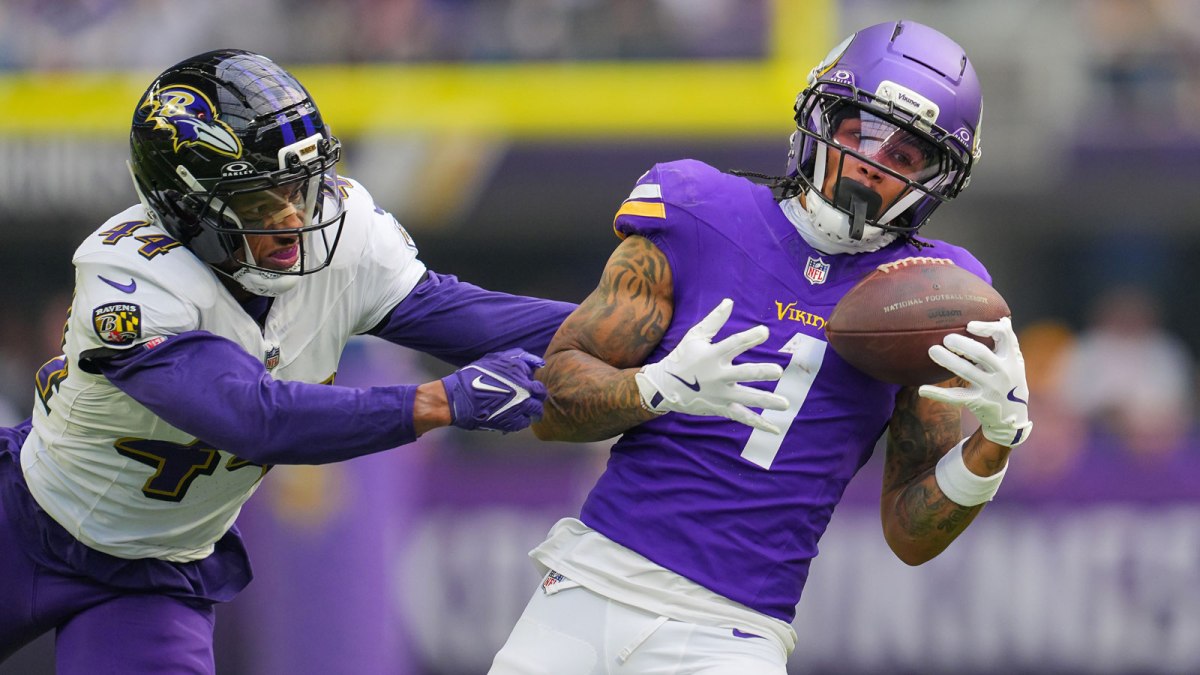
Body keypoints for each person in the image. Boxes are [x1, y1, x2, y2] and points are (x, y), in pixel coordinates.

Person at [0, 49, 579, 673]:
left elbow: (471, 317)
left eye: (299, 188)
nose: (292, 220)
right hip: (21, 523)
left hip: (150, 575)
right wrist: (440, 401)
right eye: (257, 202)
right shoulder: (130, 276)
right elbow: (252, 417)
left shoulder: (343, 236)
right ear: (186, 206)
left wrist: (649, 330)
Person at [490, 20, 1034, 674]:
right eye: (862, 130)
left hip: (734, 631)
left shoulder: (931, 296)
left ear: (939, 178)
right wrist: (655, 389)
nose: (872, 162)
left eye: (906, 156)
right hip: (589, 583)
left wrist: (995, 440)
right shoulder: (700, 211)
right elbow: (550, 408)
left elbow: (910, 535)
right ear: (821, 114)